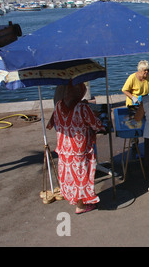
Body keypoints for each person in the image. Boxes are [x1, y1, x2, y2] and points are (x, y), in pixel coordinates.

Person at [47, 83, 105, 214]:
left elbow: (52, 123)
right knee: (81, 176)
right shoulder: (82, 108)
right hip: (80, 149)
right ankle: (81, 205)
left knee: (70, 177)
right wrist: (94, 115)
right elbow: (96, 124)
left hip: (64, 148)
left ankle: (76, 200)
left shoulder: (58, 105)